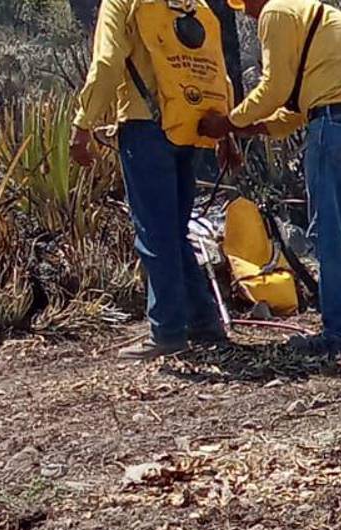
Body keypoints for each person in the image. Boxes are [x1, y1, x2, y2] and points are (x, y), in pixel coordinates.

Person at [200, 0, 341, 358]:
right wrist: (255, 127)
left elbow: (274, 89)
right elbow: (298, 105)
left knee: (330, 235)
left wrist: (228, 122)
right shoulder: (315, 14)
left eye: (245, 6)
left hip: (335, 131)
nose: (247, 14)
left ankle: (340, 335)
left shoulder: (276, 12)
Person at [71, 0, 241, 360]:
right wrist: (226, 136)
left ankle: (167, 332)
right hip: (190, 128)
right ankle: (204, 323)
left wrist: (83, 125)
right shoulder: (193, 6)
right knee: (174, 231)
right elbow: (218, 75)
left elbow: (106, 63)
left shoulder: (122, 4)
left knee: (155, 233)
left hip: (145, 129)